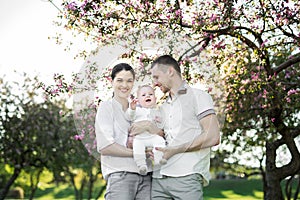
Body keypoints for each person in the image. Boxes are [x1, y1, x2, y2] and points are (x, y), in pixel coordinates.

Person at [130, 55, 220, 200]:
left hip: (186, 176)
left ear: (170, 71)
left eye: (157, 77)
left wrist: (174, 150)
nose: (155, 83)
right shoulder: (163, 106)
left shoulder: (198, 96)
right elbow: (163, 138)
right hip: (159, 178)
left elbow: (212, 136)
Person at [95, 63, 161, 200]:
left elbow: (162, 133)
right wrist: (139, 153)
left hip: (147, 177)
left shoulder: (143, 108)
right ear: (111, 81)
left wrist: (149, 127)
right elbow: (105, 146)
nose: (124, 85)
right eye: (119, 80)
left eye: (129, 81)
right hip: (121, 175)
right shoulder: (106, 108)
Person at [125, 85, 167, 175]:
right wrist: (132, 108)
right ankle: (141, 165)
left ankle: (158, 160)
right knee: (137, 148)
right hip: (140, 137)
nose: (147, 96)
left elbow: (161, 125)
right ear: (138, 100)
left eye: (150, 94)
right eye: (143, 95)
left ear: (155, 99)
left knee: (160, 141)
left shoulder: (157, 111)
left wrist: (159, 121)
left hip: (153, 136)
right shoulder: (138, 110)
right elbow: (129, 116)